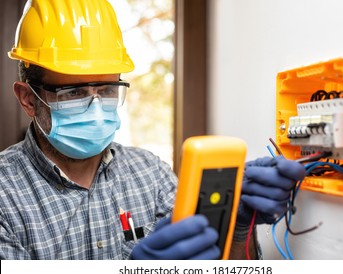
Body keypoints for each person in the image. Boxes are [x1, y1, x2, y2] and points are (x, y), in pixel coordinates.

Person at [0, 0, 305, 260]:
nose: (95, 109)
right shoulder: (5, 197)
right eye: (73, 93)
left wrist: (235, 230)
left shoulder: (151, 174)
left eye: (107, 89)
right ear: (28, 98)